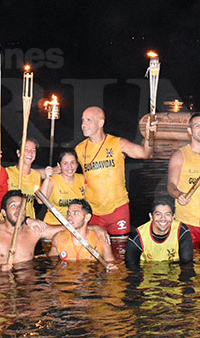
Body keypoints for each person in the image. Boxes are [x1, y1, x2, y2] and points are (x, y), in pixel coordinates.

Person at [74, 106, 155, 237]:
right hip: (93, 211)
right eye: (83, 120)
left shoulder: (118, 143)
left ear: (100, 123)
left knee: (120, 246)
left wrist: (149, 136)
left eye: (89, 120)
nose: (83, 124)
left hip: (117, 209)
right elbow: (71, 172)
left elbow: (146, 153)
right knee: (95, 247)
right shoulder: (79, 149)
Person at [166, 113, 200, 248]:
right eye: (197, 126)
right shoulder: (180, 155)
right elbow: (171, 185)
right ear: (189, 131)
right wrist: (179, 194)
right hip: (186, 222)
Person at [0, 191, 64, 269]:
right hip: (0, 280)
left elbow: (66, 229)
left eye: (21, 205)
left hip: (27, 281)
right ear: (4, 212)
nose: (18, 209)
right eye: (13, 205)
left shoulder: (33, 230)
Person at [126, 196, 194, 266]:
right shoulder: (137, 237)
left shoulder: (181, 231)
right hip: (147, 271)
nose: (163, 219)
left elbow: (187, 264)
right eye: (158, 214)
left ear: (173, 217)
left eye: (167, 214)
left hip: (173, 270)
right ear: (151, 216)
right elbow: (131, 267)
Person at [48, 199, 117, 268]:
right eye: (69, 213)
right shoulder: (58, 239)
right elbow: (51, 263)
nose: (69, 217)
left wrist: (110, 266)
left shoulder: (101, 239)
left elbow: (110, 262)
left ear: (87, 217)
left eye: (76, 213)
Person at [39, 150, 86, 225]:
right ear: (59, 165)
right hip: (54, 224)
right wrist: (47, 178)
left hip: (74, 225)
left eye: (72, 162)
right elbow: (40, 201)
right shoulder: (53, 181)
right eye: (65, 163)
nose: (69, 167)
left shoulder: (82, 179)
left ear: (77, 164)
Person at [6, 138, 44, 220]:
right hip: (10, 221)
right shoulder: (7, 173)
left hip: (30, 221)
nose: (30, 153)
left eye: (33, 150)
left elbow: (39, 200)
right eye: (26, 149)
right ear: (18, 153)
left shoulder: (36, 176)